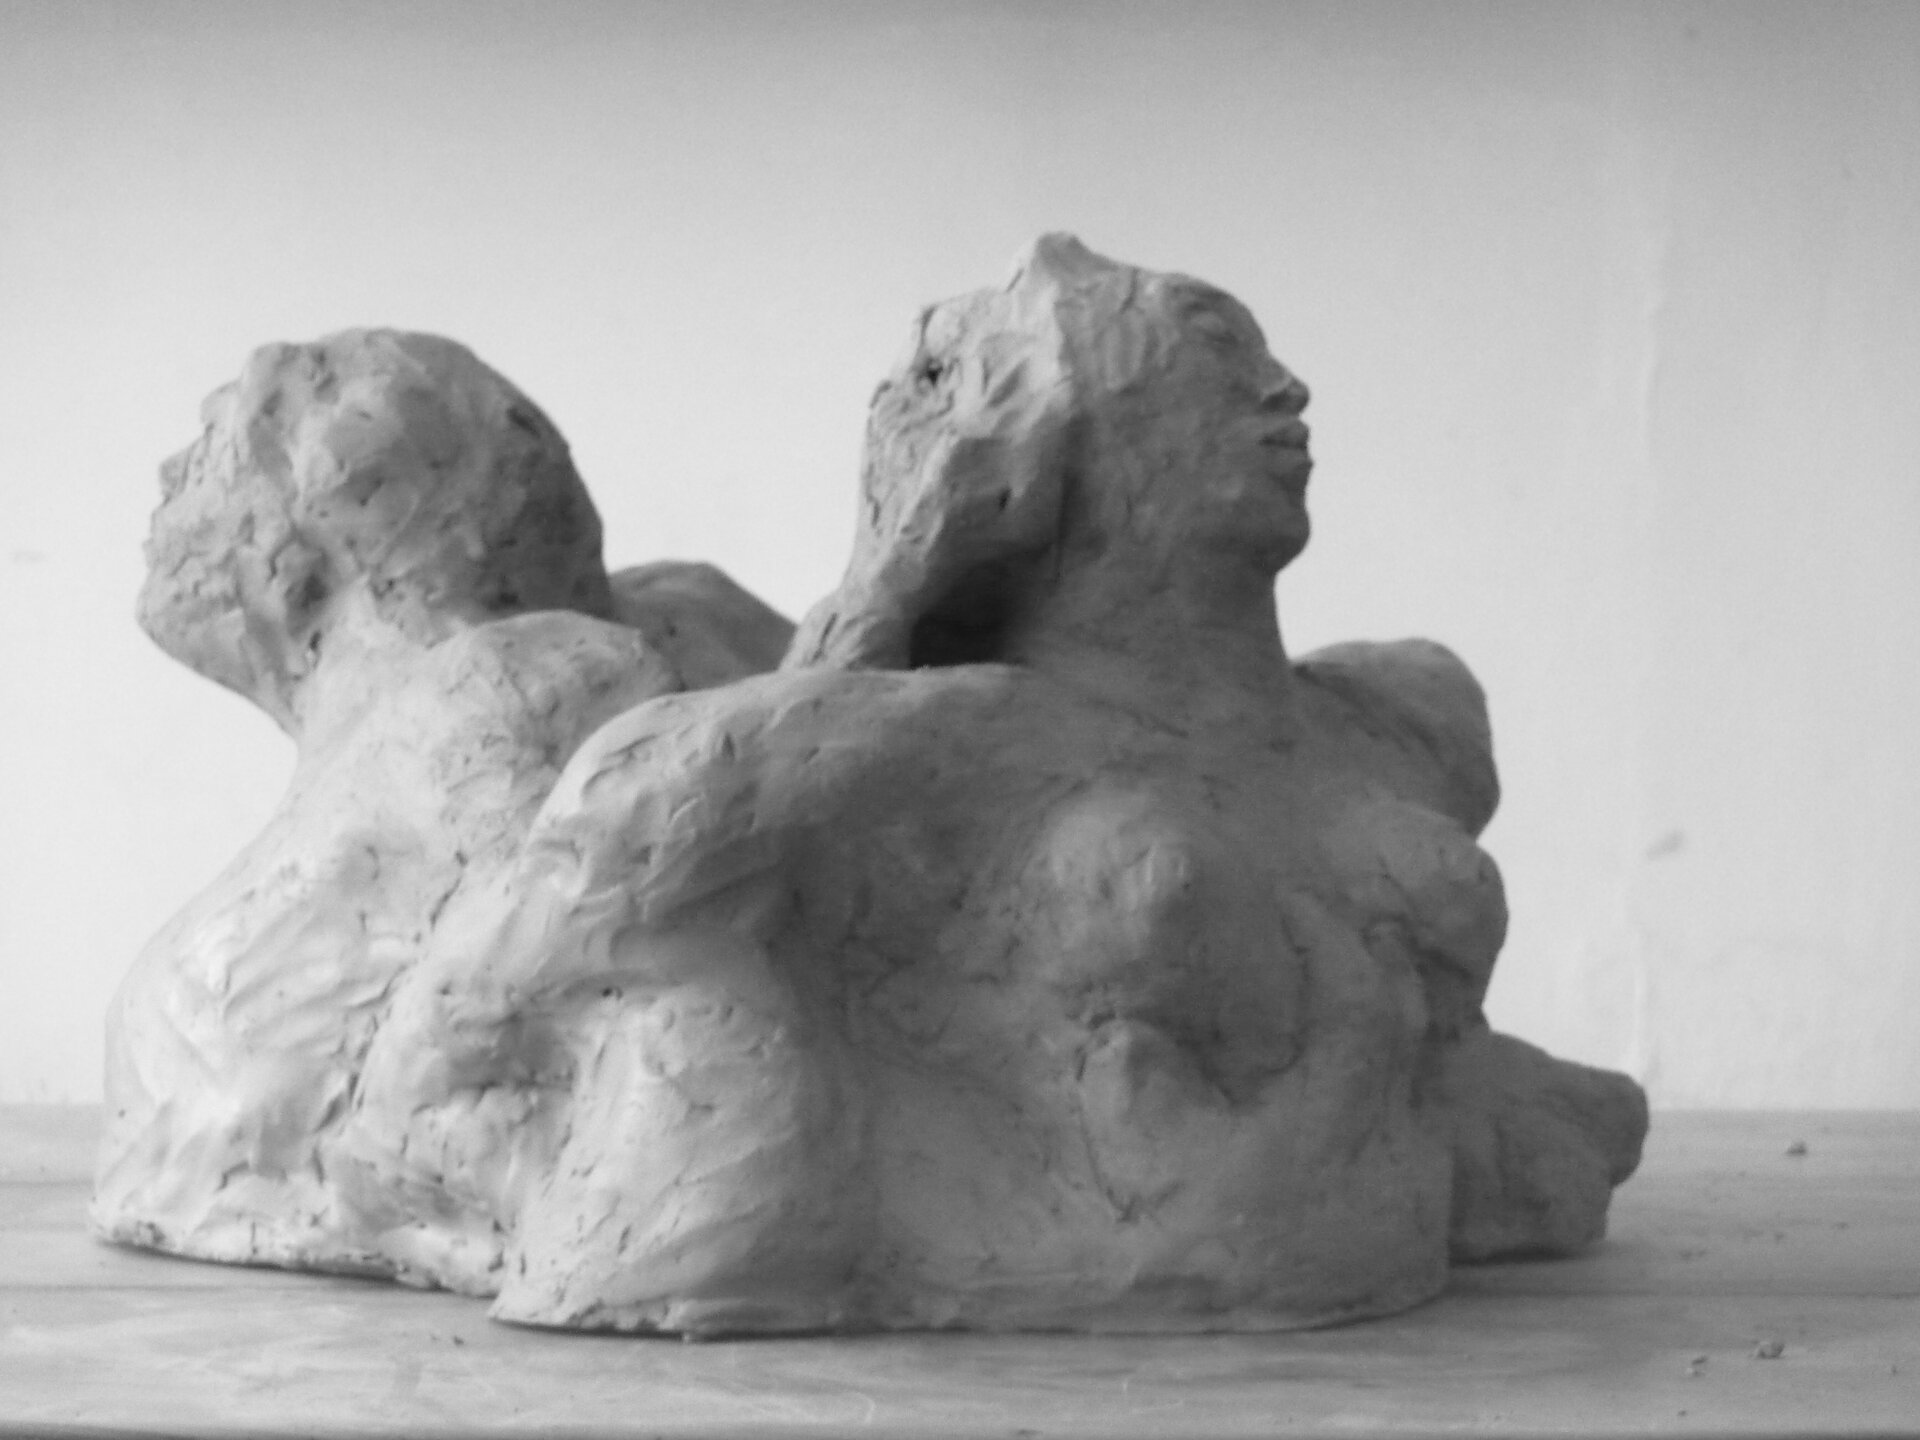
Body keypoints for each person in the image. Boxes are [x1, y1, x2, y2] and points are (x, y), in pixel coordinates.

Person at [333, 238, 1645, 1334]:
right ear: (1042, 449)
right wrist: (874, 600)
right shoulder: (931, 746)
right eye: (1213, 364)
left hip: (1381, 1342)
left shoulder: (1405, 712)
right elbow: (464, 1026)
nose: (1285, 391)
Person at [95, 331, 783, 1272]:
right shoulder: (667, 625)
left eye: (214, 444)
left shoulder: (498, 702)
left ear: (301, 552)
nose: (168, 473)